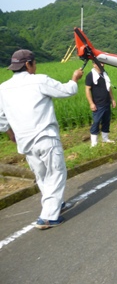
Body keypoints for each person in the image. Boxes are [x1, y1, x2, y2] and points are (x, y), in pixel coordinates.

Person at [0, 49, 83, 229]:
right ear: (28, 64)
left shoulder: (3, 88)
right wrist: (74, 78)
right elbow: (67, 91)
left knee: (42, 175)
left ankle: (55, 204)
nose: (35, 67)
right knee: (55, 172)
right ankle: (47, 217)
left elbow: (1, 119)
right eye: (34, 63)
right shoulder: (39, 80)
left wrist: (11, 134)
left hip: (24, 141)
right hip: (45, 137)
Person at [85, 62, 116, 147]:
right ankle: (94, 143)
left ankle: (105, 139)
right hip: (98, 103)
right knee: (96, 122)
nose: (102, 65)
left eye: (103, 63)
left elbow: (108, 87)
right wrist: (91, 103)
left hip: (106, 102)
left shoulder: (105, 73)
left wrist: (112, 99)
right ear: (94, 64)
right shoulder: (90, 75)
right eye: (100, 63)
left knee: (106, 121)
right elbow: (87, 90)